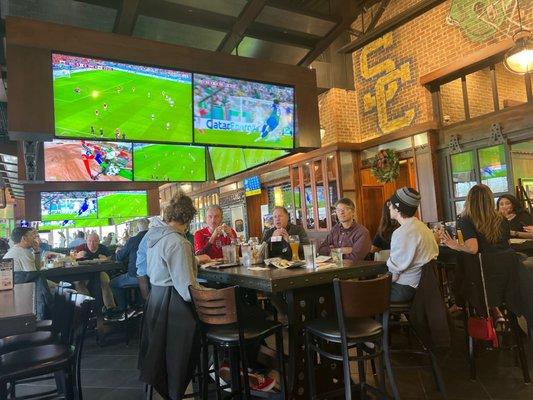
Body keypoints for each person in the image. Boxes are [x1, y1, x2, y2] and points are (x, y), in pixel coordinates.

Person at [138, 192, 206, 399]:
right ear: (187, 219)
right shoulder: (179, 242)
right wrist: (212, 294)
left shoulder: (153, 238)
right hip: (175, 310)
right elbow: (187, 290)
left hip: (156, 302)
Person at [387, 187, 439, 303]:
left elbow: (394, 275)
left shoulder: (402, 233)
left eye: (391, 204)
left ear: (398, 209)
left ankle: (378, 322)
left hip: (406, 289)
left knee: (367, 294)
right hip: (423, 286)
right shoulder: (423, 228)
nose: (389, 207)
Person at [441, 184, 510, 254]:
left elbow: (472, 249)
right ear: (490, 200)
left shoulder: (466, 219)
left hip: (486, 262)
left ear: (469, 200)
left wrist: (454, 245)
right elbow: (507, 243)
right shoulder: (501, 218)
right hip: (508, 261)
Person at [3, 227, 52, 319]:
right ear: (24, 238)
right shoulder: (22, 253)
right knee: (61, 290)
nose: (34, 238)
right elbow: (36, 275)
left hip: (18, 292)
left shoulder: (18, 250)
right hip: (25, 294)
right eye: (31, 236)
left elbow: (36, 270)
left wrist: (36, 251)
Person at [74, 233, 120, 319]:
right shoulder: (80, 248)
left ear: (98, 242)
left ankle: (110, 308)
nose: (92, 243)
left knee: (105, 281)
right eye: (90, 241)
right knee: (78, 283)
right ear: (86, 241)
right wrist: (77, 256)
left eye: (95, 241)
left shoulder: (103, 249)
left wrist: (106, 259)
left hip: (100, 272)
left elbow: (112, 260)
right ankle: (88, 307)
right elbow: (71, 261)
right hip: (83, 273)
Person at [110, 218, 149, 312]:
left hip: (136, 277)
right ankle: (140, 305)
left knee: (113, 283)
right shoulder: (154, 238)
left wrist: (118, 251)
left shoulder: (133, 240)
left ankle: (122, 308)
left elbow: (120, 257)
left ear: (138, 228)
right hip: (152, 278)